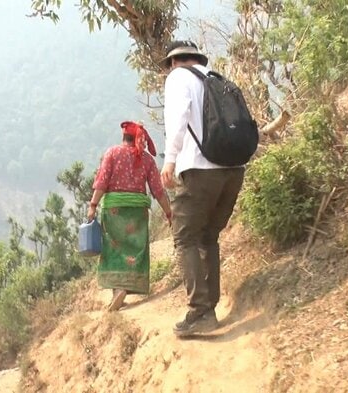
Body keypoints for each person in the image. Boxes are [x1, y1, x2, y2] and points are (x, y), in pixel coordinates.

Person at [159, 40, 246, 336]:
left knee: (184, 238)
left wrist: (169, 161)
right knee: (208, 236)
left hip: (200, 170)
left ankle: (199, 311)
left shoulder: (178, 78)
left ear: (173, 62)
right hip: (233, 171)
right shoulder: (215, 78)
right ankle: (209, 308)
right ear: (197, 58)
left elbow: (178, 119)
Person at [87, 121, 172, 311]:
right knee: (134, 249)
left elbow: (102, 182)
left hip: (114, 211)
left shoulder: (112, 153)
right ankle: (125, 289)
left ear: (123, 137)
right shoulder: (147, 160)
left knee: (113, 248)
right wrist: (169, 213)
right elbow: (158, 191)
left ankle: (118, 289)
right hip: (137, 212)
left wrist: (93, 205)